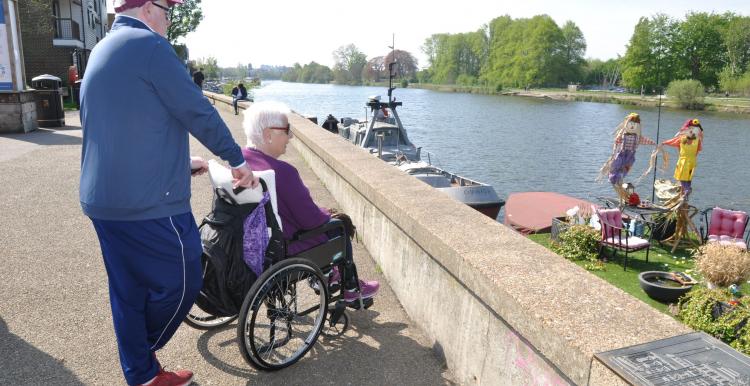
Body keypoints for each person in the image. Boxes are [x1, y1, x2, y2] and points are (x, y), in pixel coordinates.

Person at [79, 1, 258, 385]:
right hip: (148, 203)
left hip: (102, 199)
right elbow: (198, 112)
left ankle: (142, 375)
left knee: (128, 290)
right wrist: (237, 161)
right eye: (167, 10)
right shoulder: (151, 48)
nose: (169, 19)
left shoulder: (102, 49)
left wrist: (178, 163)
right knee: (185, 276)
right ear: (147, 9)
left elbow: (121, 126)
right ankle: (141, 354)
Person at [241, 101, 380, 303]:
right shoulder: (283, 172)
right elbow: (311, 220)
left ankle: (327, 276)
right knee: (340, 225)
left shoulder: (241, 161)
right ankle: (349, 286)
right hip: (285, 249)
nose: (291, 136)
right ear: (268, 135)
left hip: (256, 242)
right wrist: (327, 213)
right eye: (287, 130)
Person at [597, 113, 655, 200]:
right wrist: (614, 150)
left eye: (635, 125)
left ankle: (625, 196)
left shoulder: (638, 137)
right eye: (630, 124)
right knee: (613, 175)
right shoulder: (623, 134)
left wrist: (655, 144)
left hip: (628, 159)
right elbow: (616, 142)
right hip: (620, 156)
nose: (632, 127)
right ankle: (625, 195)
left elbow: (646, 141)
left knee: (620, 176)